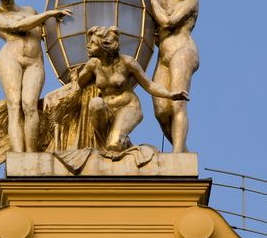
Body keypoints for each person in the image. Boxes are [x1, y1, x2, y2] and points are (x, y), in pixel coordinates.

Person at [0, 0, 71, 152]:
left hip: (34, 62)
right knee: (14, 105)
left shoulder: (31, 11)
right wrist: (48, 14)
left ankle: (31, 155)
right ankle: (18, 156)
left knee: (30, 105)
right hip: (10, 59)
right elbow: (20, 27)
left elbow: (47, 34)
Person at [76, 26, 189, 157]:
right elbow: (77, 84)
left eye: (93, 43)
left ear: (105, 46)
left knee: (114, 145)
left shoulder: (127, 63)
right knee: (95, 103)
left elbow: (149, 85)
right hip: (106, 109)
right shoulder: (93, 65)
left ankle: (117, 141)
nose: (88, 46)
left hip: (128, 107)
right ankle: (111, 143)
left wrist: (170, 94)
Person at [147, 0, 200, 153]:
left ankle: (177, 153)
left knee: (178, 103)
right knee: (161, 110)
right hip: (164, 57)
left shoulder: (192, 2)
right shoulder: (160, 2)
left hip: (183, 52)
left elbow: (167, 22)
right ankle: (183, 152)